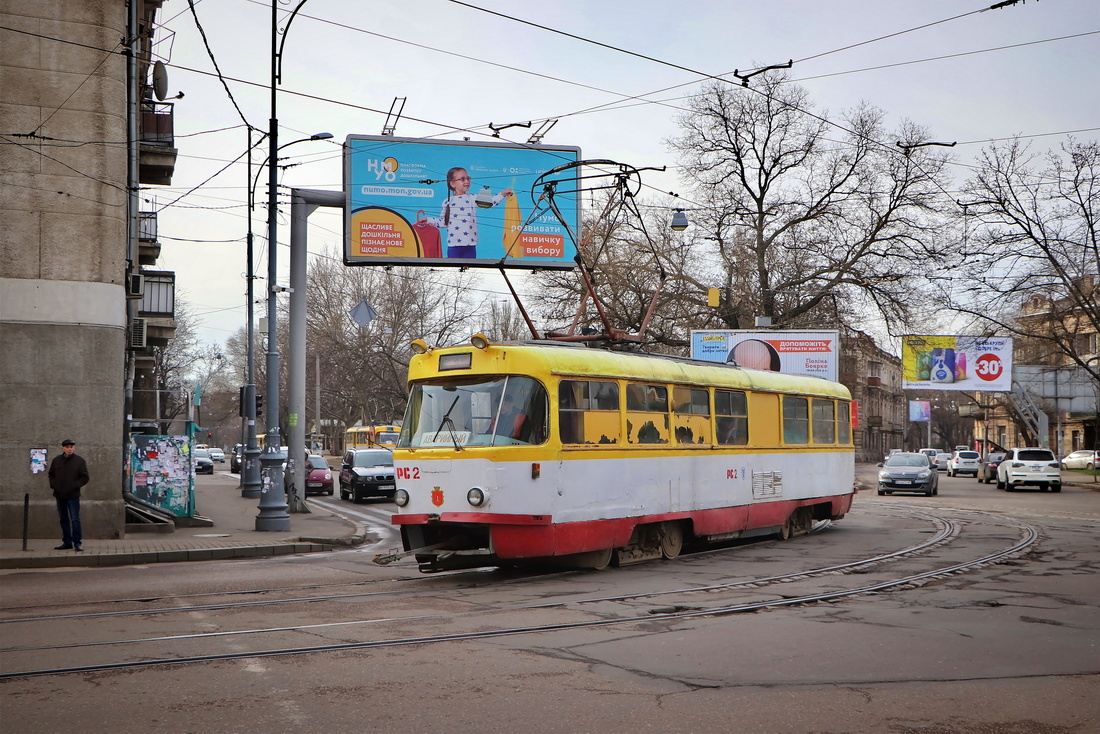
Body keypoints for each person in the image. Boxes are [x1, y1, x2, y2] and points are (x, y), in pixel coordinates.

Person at [417, 167, 512, 258]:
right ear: (453, 183)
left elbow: (490, 202)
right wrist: (428, 220)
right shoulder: (447, 202)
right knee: (454, 268)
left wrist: (502, 194)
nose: (467, 181)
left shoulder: (472, 198)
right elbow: (443, 222)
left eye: (468, 178)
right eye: (462, 179)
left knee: (470, 267)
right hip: (454, 246)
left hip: (470, 245)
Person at [48, 438, 89, 552]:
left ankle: (77, 542)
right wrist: (54, 485)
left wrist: (75, 485)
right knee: (63, 519)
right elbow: (51, 474)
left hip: (73, 495)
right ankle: (67, 542)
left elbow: (85, 477)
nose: (69, 449)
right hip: (59, 494)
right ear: (63, 448)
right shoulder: (56, 460)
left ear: (74, 448)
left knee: (75, 519)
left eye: (71, 447)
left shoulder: (79, 461)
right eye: (67, 447)